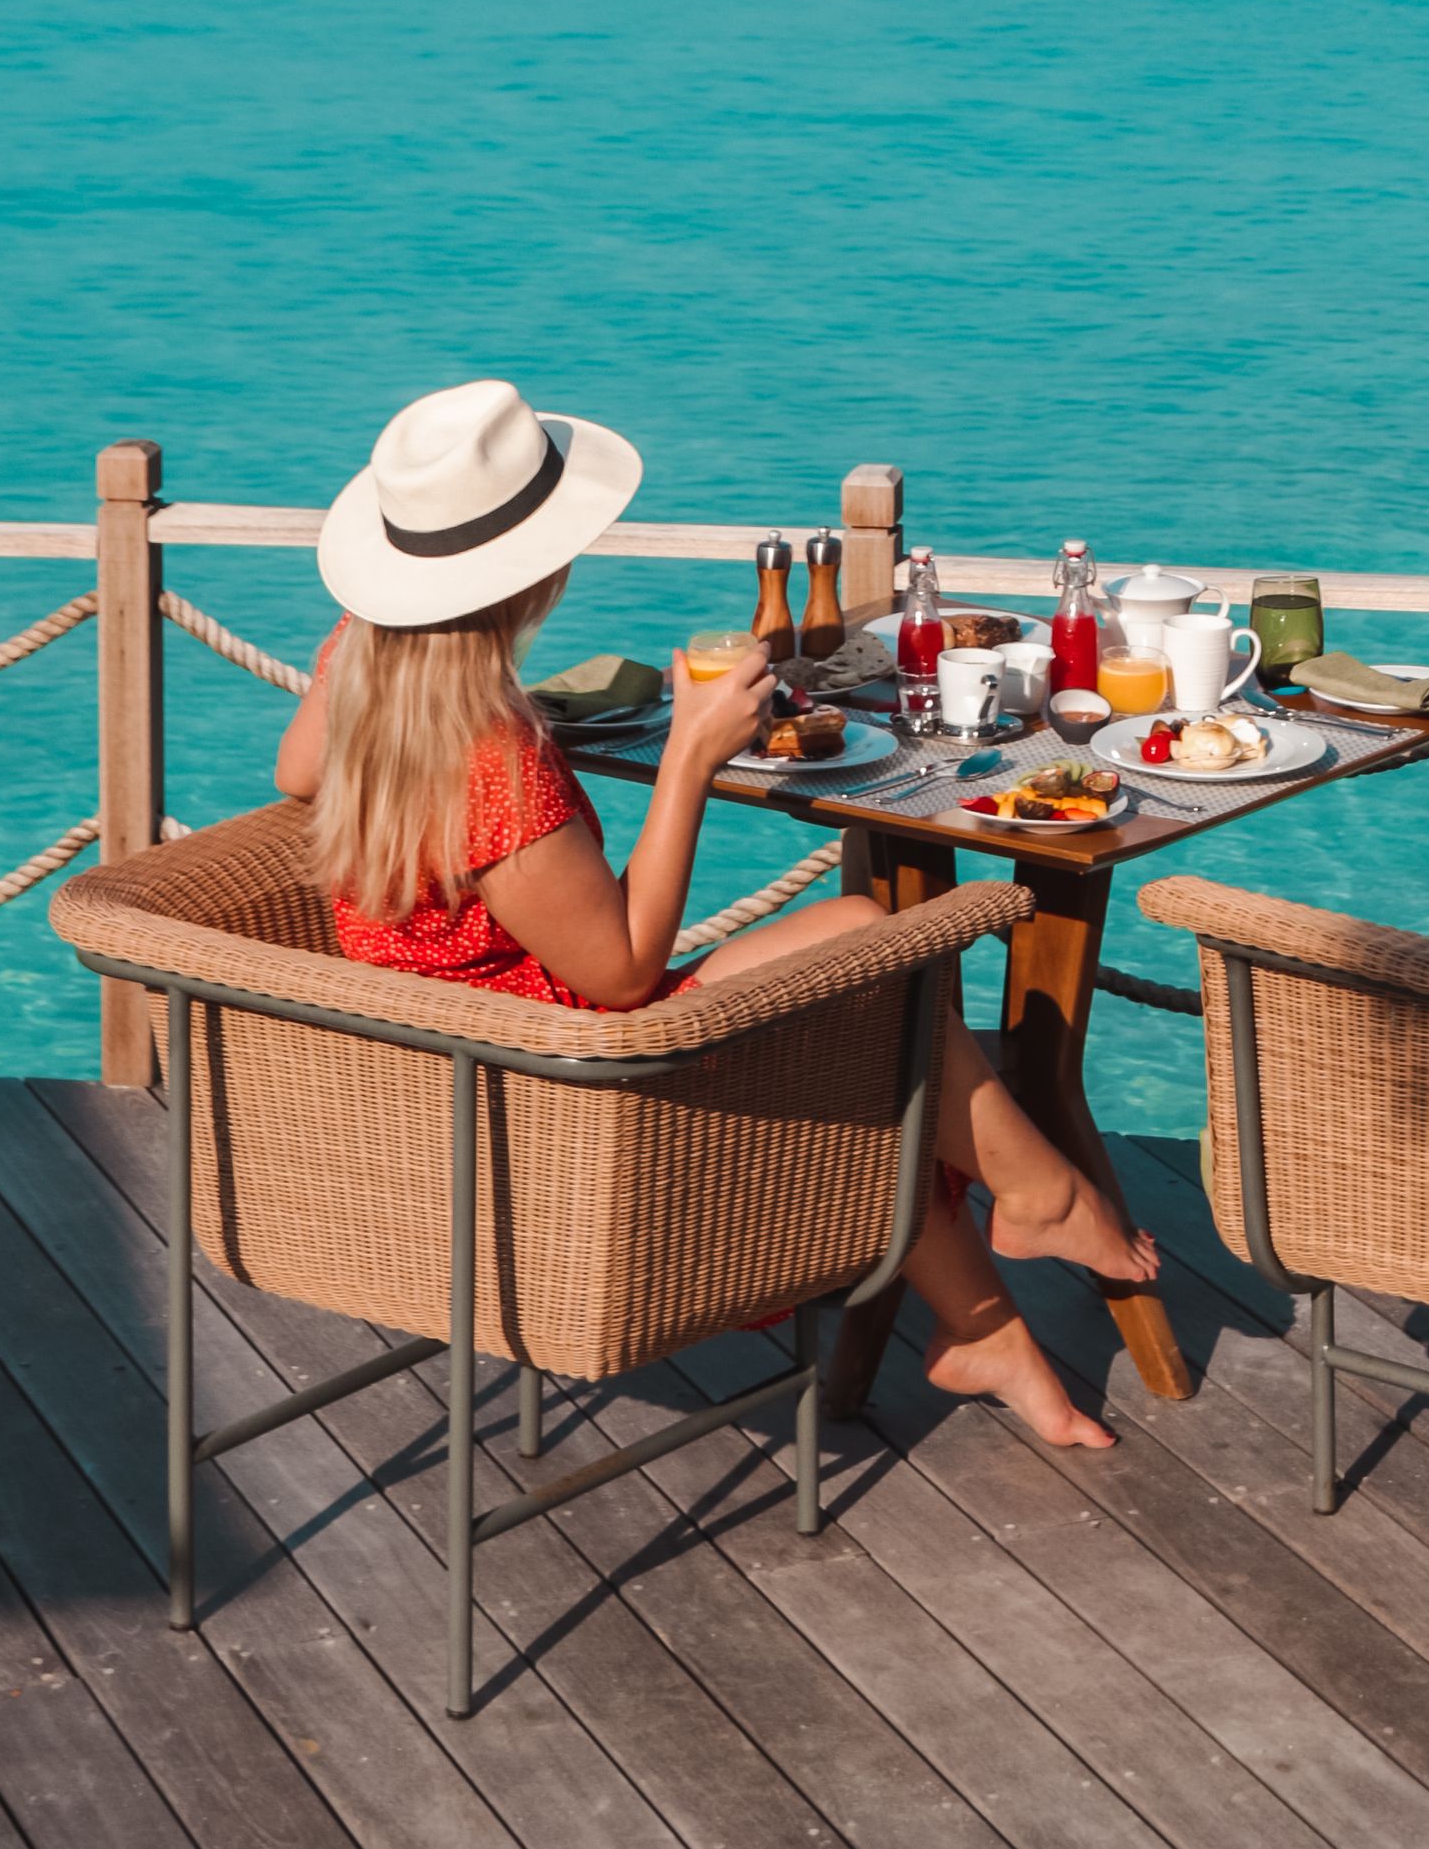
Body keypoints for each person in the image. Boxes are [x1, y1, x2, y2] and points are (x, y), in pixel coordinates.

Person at [276, 378, 1156, 1454]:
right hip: (565, 1088)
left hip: (440, 1067)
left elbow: (297, 769)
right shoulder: (493, 770)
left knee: (858, 951)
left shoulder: (363, 670)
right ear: (538, 569)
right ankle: (1032, 1198)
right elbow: (622, 976)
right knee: (872, 988)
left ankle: (987, 1318)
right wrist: (691, 753)